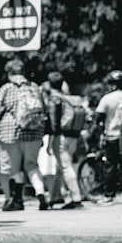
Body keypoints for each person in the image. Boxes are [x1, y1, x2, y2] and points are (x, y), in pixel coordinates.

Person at [0, 59, 48, 211]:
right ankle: (41, 194)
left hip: (10, 134)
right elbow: (43, 110)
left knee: (13, 169)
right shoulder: (34, 87)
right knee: (32, 165)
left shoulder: (6, 88)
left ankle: (17, 200)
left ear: (9, 73)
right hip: (34, 132)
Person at [92, 70, 122, 205]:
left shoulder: (107, 98)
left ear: (111, 84)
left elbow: (98, 118)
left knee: (110, 166)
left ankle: (108, 195)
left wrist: (100, 132)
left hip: (112, 136)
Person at [43, 70, 85, 210]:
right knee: (60, 167)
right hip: (73, 135)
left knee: (65, 166)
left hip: (61, 136)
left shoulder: (55, 99)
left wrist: (50, 141)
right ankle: (55, 197)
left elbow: (55, 122)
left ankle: (76, 197)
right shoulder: (69, 98)